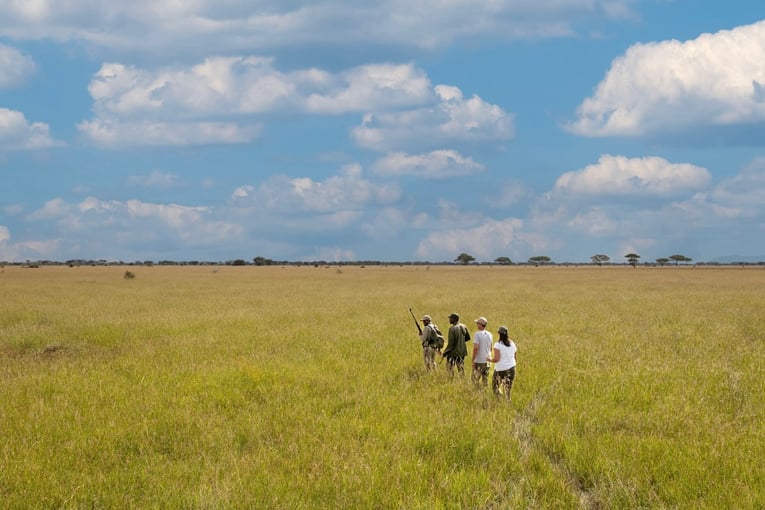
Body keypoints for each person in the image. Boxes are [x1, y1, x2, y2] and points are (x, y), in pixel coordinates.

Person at [488, 325, 517, 400]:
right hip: (512, 369)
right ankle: (507, 402)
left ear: (499, 334)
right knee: (507, 390)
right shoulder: (512, 343)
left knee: (495, 387)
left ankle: (501, 399)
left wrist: (489, 359)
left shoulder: (498, 345)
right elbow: (515, 357)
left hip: (501, 370)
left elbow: (496, 359)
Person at [471, 317, 493, 387]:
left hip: (479, 361)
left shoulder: (477, 334)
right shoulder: (490, 334)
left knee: (474, 379)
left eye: (477, 323)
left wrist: (473, 360)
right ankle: (484, 393)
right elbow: (491, 348)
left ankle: (477, 393)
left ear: (480, 324)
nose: (476, 325)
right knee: (485, 380)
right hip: (488, 361)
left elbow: (476, 348)